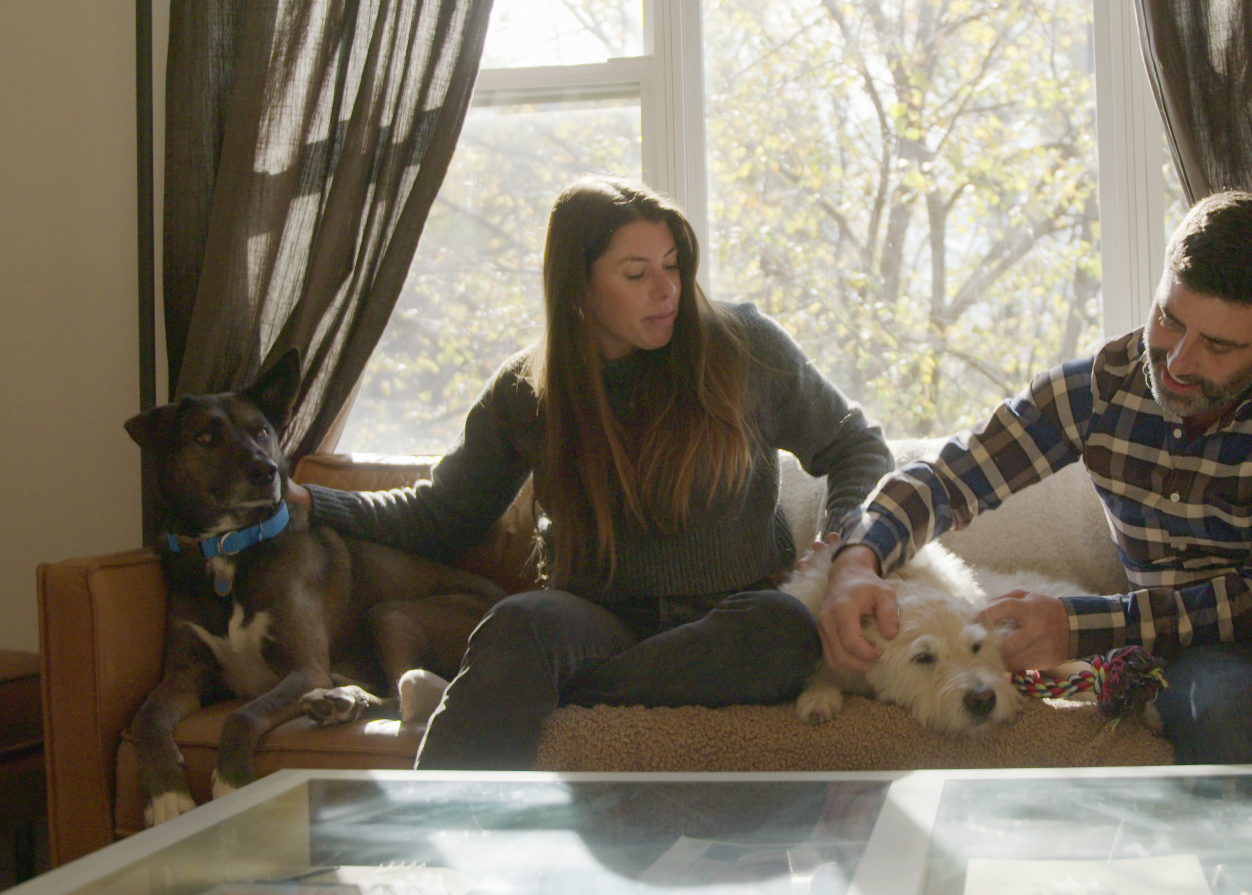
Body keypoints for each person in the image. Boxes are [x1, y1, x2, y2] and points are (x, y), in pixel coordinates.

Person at [817, 190, 1252, 764]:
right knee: (1221, 708)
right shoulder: (1100, 386)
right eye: (1169, 318)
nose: (1179, 361)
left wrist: (1080, 624)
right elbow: (944, 479)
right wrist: (858, 557)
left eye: (1218, 344)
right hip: (1213, 656)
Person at [288, 175, 893, 769]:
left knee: (783, 630)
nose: (667, 290)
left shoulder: (741, 346)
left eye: (673, 264)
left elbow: (854, 445)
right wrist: (313, 502)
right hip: (598, 620)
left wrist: (850, 547)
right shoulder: (528, 390)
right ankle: (433, 851)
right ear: (580, 287)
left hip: (730, 618)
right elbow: (443, 515)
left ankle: (523, 693)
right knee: (520, 623)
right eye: (636, 273)